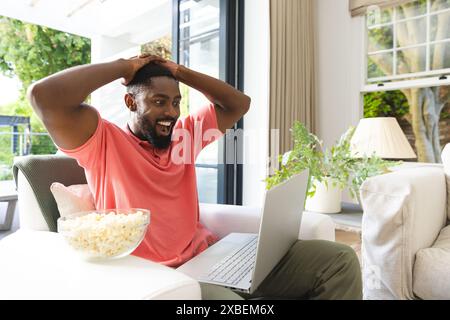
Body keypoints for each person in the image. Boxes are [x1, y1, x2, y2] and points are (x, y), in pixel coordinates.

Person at [27, 55, 362, 300]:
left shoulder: (184, 136)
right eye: (159, 101)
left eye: (176, 102)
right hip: (167, 277)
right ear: (130, 101)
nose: (172, 112)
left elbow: (238, 103)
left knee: (338, 260)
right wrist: (124, 67)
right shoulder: (103, 142)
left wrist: (179, 72)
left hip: (213, 256)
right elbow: (43, 97)